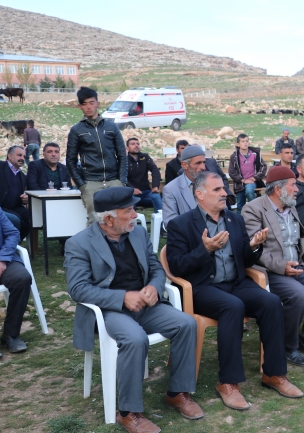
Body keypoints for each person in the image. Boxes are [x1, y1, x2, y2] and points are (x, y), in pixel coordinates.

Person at [64, 187, 203, 432]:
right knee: (136, 338)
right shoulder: (79, 243)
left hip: (145, 305)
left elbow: (156, 267)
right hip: (109, 311)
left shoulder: (137, 232)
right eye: (128, 211)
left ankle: (177, 393)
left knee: (186, 324)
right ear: (108, 219)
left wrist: (153, 286)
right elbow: (78, 289)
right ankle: (129, 413)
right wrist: (122, 297)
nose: (135, 215)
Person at [166, 172, 303, 410]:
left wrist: (253, 246)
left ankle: (274, 374)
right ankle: (228, 383)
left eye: (224, 189)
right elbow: (177, 267)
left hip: (237, 284)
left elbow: (246, 260)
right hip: (203, 287)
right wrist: (205, 249)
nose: (225, 194)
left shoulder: (234, 219)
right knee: (233, 306)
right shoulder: (181, 224)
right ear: (199, 194)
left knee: (271, 302)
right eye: (217, 190)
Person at [242, 166, 304, 366]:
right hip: (272, 271)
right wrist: (282, 266)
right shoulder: (253, 209)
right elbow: (254, 249)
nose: (297, 189)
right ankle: (288, 346)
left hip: (297, 266)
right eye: (293, 185)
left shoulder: (290, 206)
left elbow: (299, 240)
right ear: (278, 189)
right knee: (299, 295)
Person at [66, 86, 128, 226]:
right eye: (84, 104)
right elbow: (71, 160)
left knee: (119, 220)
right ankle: (93, 248)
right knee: (95, 222)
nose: (88, 107)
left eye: (91, 102)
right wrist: (82, 186)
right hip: (91, 183)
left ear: (98, 104)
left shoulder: (111, 127)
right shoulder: (76, 130)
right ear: (79, 106)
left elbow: (122, 155)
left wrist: (122, 181)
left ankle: (119, 248)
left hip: (114, 182)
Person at [0, 202, 32, 360]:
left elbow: (12, 233)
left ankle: (10, 334)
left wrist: (1, 260)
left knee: (21, 278)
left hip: (2, 258)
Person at [161, 146, 208, 227]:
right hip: (189, 237)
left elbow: (223, 212)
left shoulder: (211, 183)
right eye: (198, 163)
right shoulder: (171, 189)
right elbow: (170, 223)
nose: (203, 167)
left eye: (204, 162)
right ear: (184, 165)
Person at [0, 146, 30, 239]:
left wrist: (24, 199)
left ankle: (15, 243)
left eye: (24, 156)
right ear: (9, 156)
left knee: (31, 218)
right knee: (16, 219)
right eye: (19, 155)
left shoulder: (22, 176)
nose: (22, 158)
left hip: (15, 207)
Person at [228, 134, 268, 212]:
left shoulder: (255, 154)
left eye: (247, 141)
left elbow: (263, 167)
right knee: (240, 205)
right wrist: (242, 180)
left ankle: (255, 210)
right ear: (238, 144)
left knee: (249, 191)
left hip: (252, 181)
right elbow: (231, 172)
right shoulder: (234, 156)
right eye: (243, 141)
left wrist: (254, 178)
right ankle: (240, 222)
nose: (245, 143)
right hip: (239, 184)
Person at [126, 138, 162, 213]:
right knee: (130, 203)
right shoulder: (124, 160)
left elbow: (155, 170)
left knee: (156, 197)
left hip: (146, 193)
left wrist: (155, 186)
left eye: (137, 144)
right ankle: (132, 223)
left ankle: (161, 223)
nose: (136, 145)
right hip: (130, 194)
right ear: (127, 148)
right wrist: (132, 189)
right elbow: (122, 177)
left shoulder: (145, 157)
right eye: (133, 144)